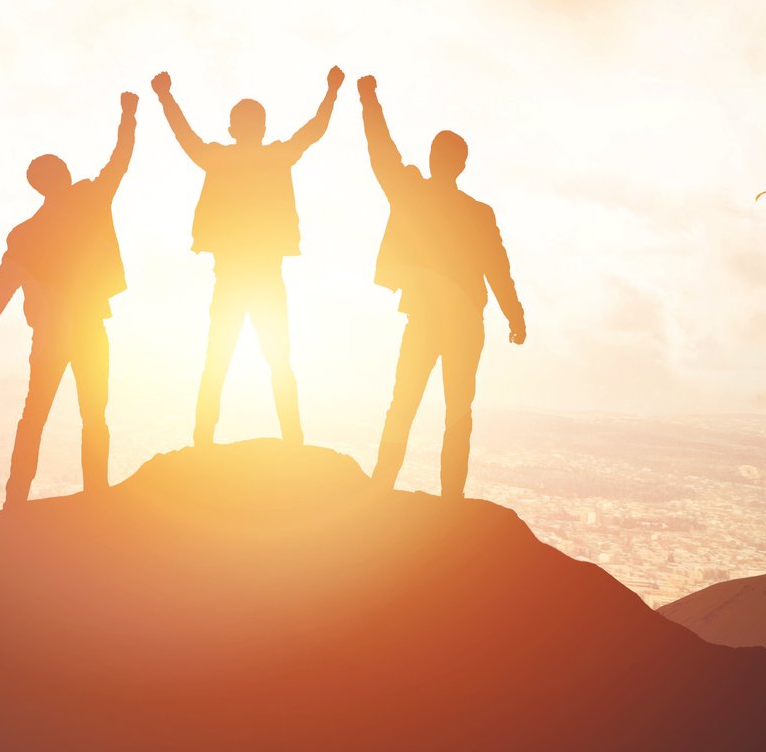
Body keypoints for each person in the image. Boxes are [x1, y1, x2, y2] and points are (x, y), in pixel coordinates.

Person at [151, 67, 342, 447]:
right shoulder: (275, 157)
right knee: (275, 361)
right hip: (264, 277)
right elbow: (313, 131)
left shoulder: (222, 159)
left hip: (235, 277)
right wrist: (331, 92)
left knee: (219, 360)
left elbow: (185, 137)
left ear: (232, 128)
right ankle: (292, 441)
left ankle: (204, 441)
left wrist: (165, 96)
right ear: (262, 128)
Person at [357, 74, 526, 499]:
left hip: (426, 318)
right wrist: (515, 316)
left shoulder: (412, 193)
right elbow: (498, 270)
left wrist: (369, 99)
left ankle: (381, 486)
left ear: (433, 158)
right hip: (466, 322)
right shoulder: (479, 213)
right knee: (458, 411)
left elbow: (382, 151)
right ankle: (451, 498)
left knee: (404, 402)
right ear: (462, 166)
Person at [0, 91, 137, 508]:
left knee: (36, 416)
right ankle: (96, 494)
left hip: (51, 334)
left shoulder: (26, 233)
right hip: (87, 326)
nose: (67, 172)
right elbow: (120, 160)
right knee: (92, 414)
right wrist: (128, 115)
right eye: (61, 169)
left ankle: (15, 500)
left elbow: (4, 281)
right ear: (55, 178)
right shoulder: (90, 199)